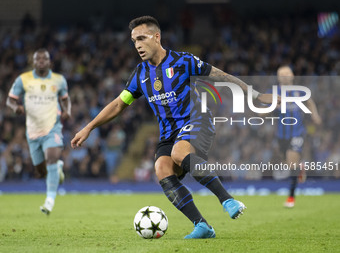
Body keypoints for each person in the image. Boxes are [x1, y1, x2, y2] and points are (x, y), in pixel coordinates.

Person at [71, 16, 275, 239]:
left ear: (156, 37)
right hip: (169, 134)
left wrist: (254, 94)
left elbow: (221, 76)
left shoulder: (183, 61)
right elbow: (119, 104)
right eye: (133, 40)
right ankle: (202, 226)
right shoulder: (140, 74)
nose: (137, 45)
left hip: (198, 122)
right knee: (162, 168)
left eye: (141, 38)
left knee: (179, 153)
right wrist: (88, 127)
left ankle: (227, 199)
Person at [6, 48, 71, 215]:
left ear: (50, 62)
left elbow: (65, 99)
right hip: (33, 131)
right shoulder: (23, 80)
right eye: (38, 59)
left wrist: (67, 110)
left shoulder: (59, 80)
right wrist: (16, 108)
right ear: (33, 62)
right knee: (41, 171)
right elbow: (10, 99)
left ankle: (49, 201)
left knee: (51, 158)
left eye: (45, 59)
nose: (41, 61)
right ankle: (58, 171)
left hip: (52, 127)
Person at [275, 65, 321, 208]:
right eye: (281, 74)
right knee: (288, 163)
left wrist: (315, 115)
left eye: (286, 73)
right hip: (281, 135)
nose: (284, 76)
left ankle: (290, 197)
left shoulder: (299, 91)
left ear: (292, 75)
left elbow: (310, 101)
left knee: (291, 161)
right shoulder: (274, 92)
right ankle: (300, 167)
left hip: (297, 132)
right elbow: (264, 106)